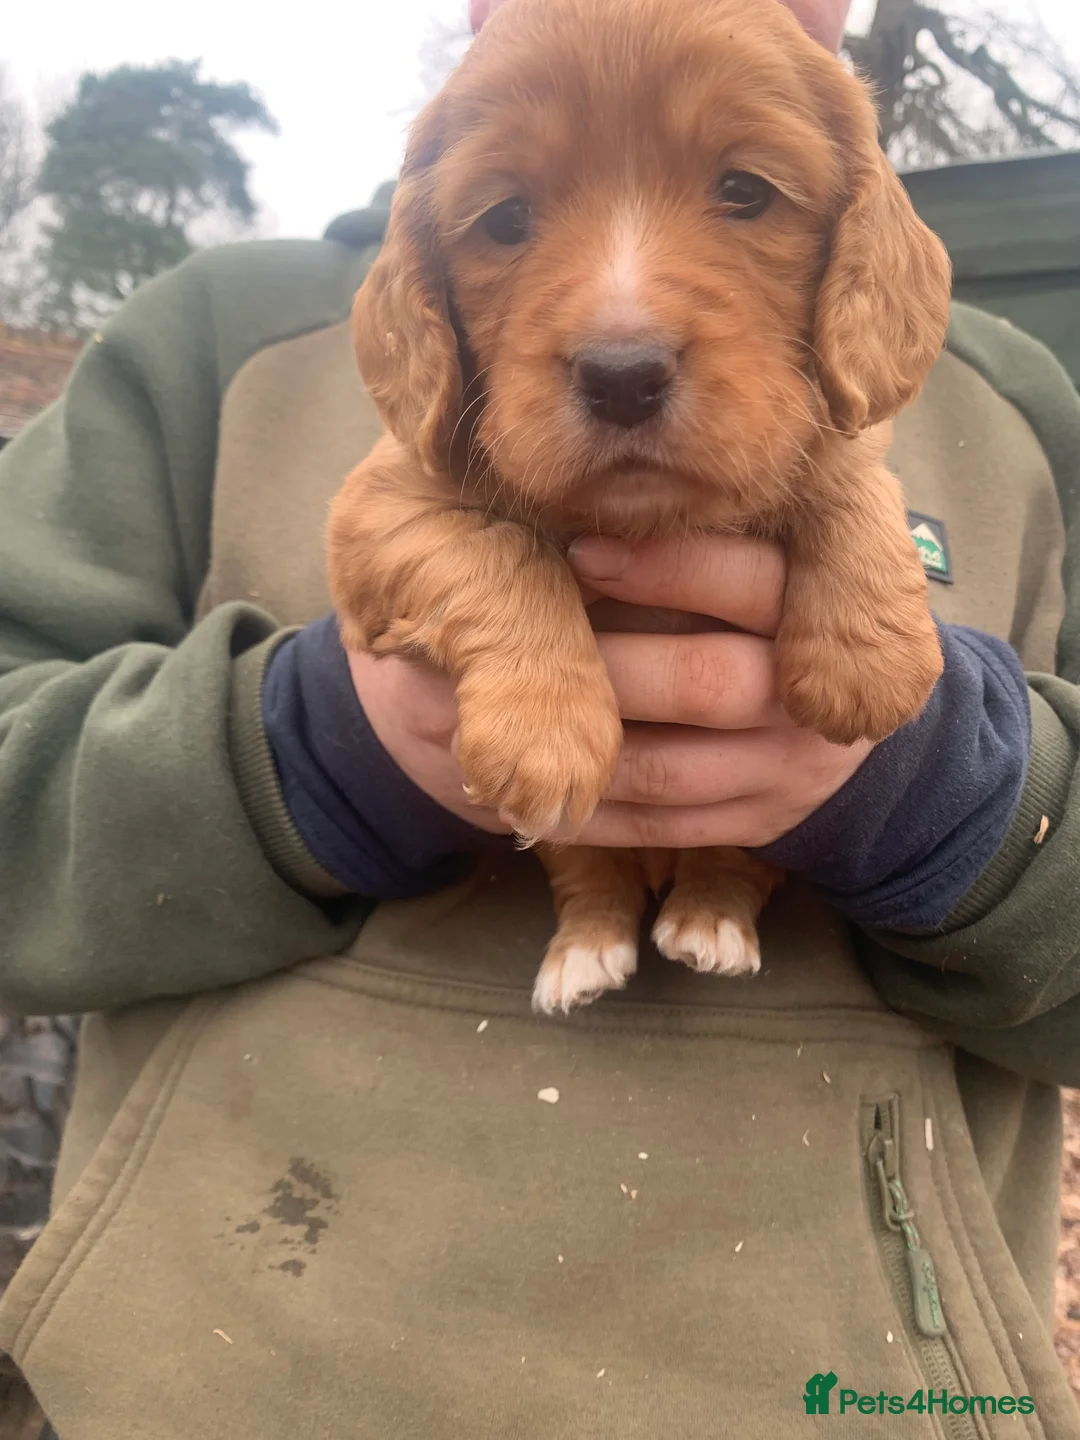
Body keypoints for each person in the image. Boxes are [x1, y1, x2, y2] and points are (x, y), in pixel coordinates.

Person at [0, 0, 1079, 1433]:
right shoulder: (216, 347)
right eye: (507, 217)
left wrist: (970, 817)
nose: (621, 322)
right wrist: (300, 764)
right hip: (234, 1375)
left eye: (744, 192)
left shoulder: (1016, 418)